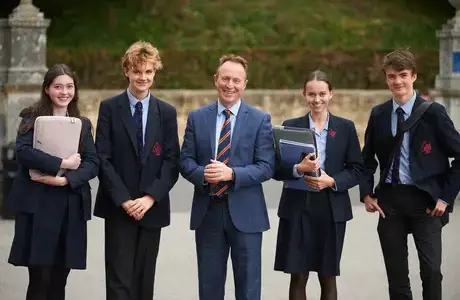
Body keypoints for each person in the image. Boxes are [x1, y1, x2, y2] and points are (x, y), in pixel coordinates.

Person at [360, 49, 460, 300]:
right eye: (391, 76)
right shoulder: (379, 114)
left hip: (426, 202)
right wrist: (366, 194)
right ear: (386, 79)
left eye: (403, 75)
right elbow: (366, 158)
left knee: (431, 271)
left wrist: (445, 197)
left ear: (413, 76)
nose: (397, 82)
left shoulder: (433, 113)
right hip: (390, 202)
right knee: (397, 276)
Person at [179, 54, 275, 300]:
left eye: (236, 80)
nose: (229, 85)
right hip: (208, 213)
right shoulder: (197, 118)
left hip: (247, 215)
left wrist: (232, 174)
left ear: (244, 84)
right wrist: (204, 175)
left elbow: (266, 166)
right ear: (215, 80)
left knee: (248, 290)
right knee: (209, 290)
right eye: (225, 78)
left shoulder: (259, 119)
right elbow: (185, 161)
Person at [94, 40, 180, 300]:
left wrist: (150, 197)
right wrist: (123, 200)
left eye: (148, 72)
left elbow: (171, 160)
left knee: (145, 281)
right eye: (137, 71)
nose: (143, 77)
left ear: (155, 73)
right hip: (119, 207)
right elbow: (102, 158)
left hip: (151, 207)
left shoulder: (166, 112)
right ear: (126, 71)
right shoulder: (109, 108)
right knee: (119, 282)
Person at [7, 64, 99, 300]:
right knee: (40, 278)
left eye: (69, 86)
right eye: (58, 86)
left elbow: (92, 162)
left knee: (60, 279)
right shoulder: (31, 116)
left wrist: (66, 180)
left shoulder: (82, 123)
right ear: (47, 89)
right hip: (38, 207)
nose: (64, 92)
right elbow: (23, 152)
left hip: (69, 206)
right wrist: (63, 163)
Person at [272, 70, 364, 300]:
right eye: (311, 94)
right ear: (304, 94)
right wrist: (298, 169)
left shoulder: (345, 128)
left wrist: (332, 180)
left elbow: (357, 169)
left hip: (331, 208)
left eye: (322, 93)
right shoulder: (290, 126)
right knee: (298, 275)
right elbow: (276, 169)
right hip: (297, 207)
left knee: (328, 275)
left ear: (331, 94)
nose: (317, 99)